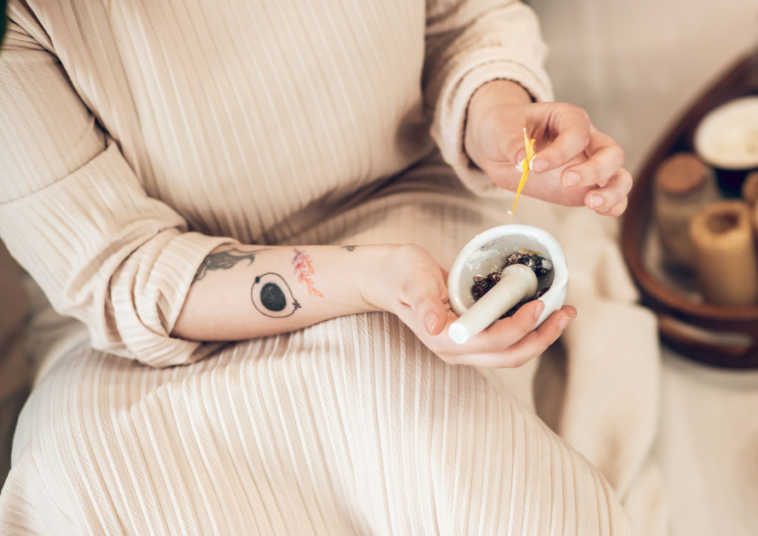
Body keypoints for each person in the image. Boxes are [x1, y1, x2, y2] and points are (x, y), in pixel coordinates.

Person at [0, 0, 661, 534]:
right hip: (143, 327)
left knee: (437, 453)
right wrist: (366, 277)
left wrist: (495, 118)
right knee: (85, 483)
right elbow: (117, 268)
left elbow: (459, 20)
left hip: (396, 203)